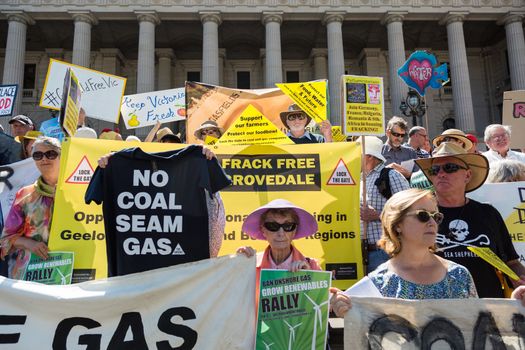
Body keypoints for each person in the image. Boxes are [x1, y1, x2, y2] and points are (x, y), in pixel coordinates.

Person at [330, 189, 477, 316]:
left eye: (436, 216)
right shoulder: (378, 283)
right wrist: (344, 305)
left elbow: (477, 330)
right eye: (423, 215)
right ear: (397, 224)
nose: (432, 222)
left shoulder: (459, 274)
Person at [415, 142, 525, 298]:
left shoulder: (488, 213)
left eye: (450, 168)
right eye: (435, 170)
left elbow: (511, 262)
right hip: (438, 309)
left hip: (488, 308)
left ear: (467, 175)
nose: (441, 174)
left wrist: (520, 279)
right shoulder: (420, 215)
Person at [0, 137, 61, 279]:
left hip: (70, 271)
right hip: (31, 272)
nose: (44, 159)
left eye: (50, 154)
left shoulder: (79, 192)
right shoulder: (25, 194)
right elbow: (6, 238)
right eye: (38, 155)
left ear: (61, 156)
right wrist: (29, 243)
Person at [236, 199, 322, 294]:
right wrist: (236, 266)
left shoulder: (311, 266)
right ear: (263, 230)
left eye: (288, 226)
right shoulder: (251, 265)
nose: (281, 233)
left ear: (295, 231)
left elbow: (323, 302)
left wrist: (309, 278)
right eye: (272, 226)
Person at [358, 136, 409, 273]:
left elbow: (409, 211)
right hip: (361, 251)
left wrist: (378, 216)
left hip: (384, 252)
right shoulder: (360, 179)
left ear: (369, 156)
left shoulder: (392, 175)